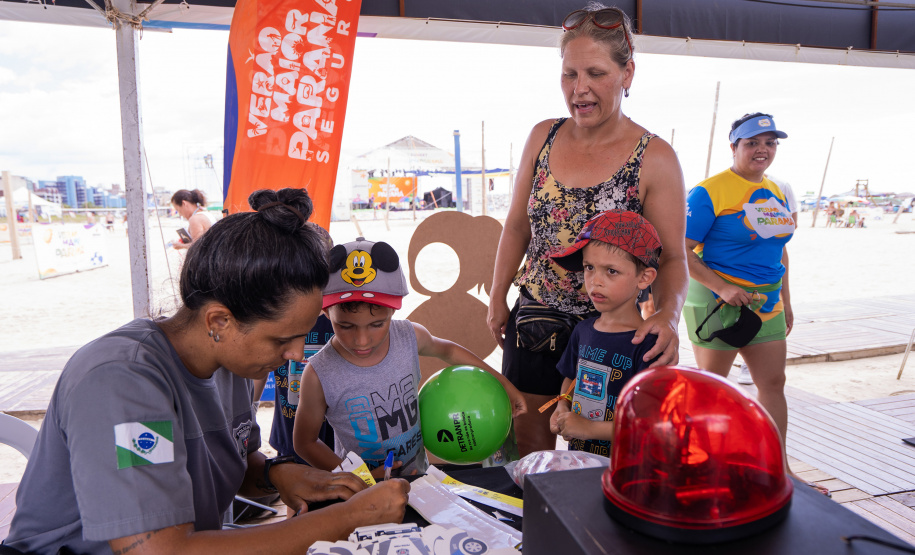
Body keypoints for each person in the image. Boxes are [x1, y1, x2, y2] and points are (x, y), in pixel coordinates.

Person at [4, 188, 411, 555]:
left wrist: (278, 473)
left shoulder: (229, 364)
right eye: (281, 339)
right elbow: (160, 551)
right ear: (219, 321)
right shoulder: (121, 381)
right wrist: (343, 520)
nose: (293, 354)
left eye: (302, 337)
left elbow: (236, 466)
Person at [486, 2, 688, 456]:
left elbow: (673, 256)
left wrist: (668, 316)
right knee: (528, 447)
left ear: (627, 74)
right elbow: (517, 225)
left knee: (606, 453)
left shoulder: (654, 157)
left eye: (596, 73)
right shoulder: (543, 135)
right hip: (535, 320)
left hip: (613, 335)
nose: (580, 89)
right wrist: (499, 295)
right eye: (569, 74)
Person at [294, 237, 527, 479]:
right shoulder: (318, 374)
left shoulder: (408, 335)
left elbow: (447, 350)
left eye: (376, 324)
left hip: (419, 477)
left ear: (393, 310)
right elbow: (305, 442)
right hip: (361, 495)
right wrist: (356, 478)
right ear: (325, 311)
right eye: (345, 326)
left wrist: (502, 382)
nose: (362, 340)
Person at [683, 113, 828, 497]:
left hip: (768, 303)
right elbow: (679, 253)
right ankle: (706, 469)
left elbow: (778, 250)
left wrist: (788, 300)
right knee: (713, 391)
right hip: (718, 304)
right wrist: (723, 287)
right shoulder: (708, 191)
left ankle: (779, 468)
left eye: (770, 142)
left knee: (773, 384)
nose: (762, 149)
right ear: (734, 147)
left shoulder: (776, 191)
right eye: (752, 142)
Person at [546, 210, 661, 456]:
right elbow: (570, 377)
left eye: (611, 271)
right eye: (589, 267)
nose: (595, 281)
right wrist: (562, 405)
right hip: (580, 458)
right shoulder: (583, 330)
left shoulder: (649, 345)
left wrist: (589, 428)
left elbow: (649, 424)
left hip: (625, 468)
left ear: (644, 277)